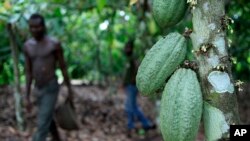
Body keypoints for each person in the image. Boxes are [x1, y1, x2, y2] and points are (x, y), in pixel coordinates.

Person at [23, 13, 73, 141]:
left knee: (42, 123)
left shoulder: (54, 44)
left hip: (50, 87)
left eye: (38, 27)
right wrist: (27, 96)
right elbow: (28, 72)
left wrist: (69, 89)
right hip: (38, 88)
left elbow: (63, 67)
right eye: (32, 27)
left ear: (44, 27)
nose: (34, 30)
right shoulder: (28, 46)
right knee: (47, 119)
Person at [123, 39, 155, 137]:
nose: (126, 49)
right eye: (125, 47)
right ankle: (143, 124)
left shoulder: (133, 58)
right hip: (129, 85)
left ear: (131, 48)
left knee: (130, 107)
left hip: (132, 86)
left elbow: (138, 70)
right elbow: (127, 73)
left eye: (128, 47)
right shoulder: (128, 59)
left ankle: (135, 125)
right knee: (132, 106)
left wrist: (134, 81)